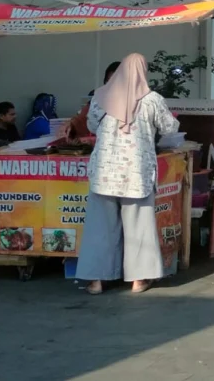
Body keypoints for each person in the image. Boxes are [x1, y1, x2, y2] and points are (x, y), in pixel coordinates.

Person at [78, 53, 179, 295]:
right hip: (136, 174)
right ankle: (139, 280)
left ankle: (95, 281)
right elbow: (169, 127)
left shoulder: (100, 98)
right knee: (139, 227)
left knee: (99, 228)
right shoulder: (152, 99)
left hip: (104, 174)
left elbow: (92, 126)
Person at [65, 61, 122, 140]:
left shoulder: (137, 103)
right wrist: (70, 125)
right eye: (109, 81)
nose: (112, 86)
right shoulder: (97, 99)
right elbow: (80, 119)